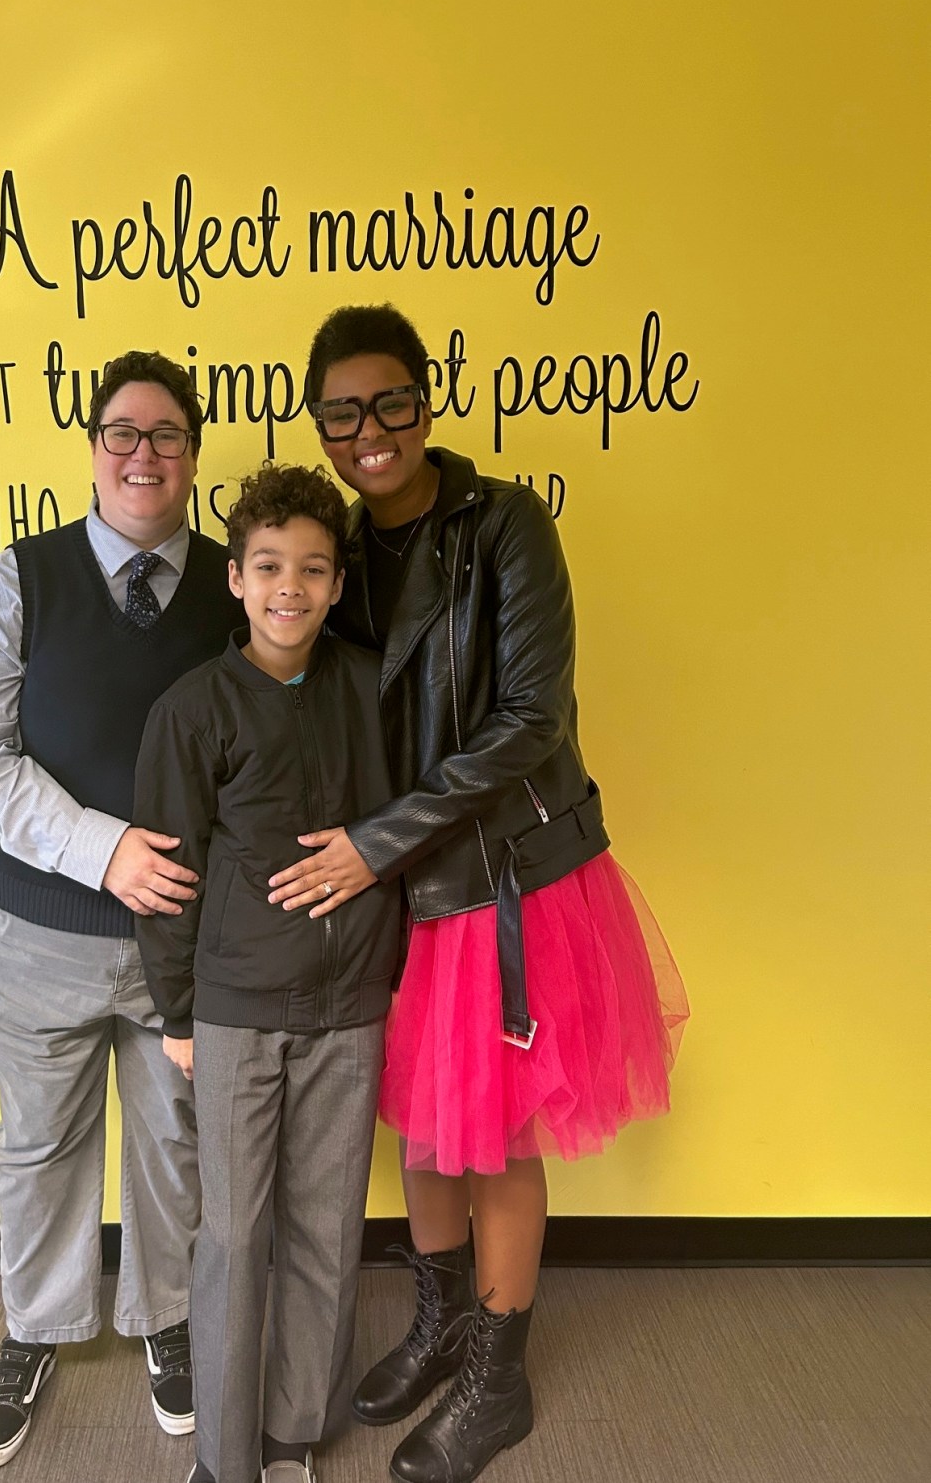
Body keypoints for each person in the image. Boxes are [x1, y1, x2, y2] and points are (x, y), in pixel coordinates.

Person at [268, 305, 689, 1483]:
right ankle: (441, 1322)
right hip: (401, 886)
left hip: (509, 874)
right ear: (322, 422)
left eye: (389, 401)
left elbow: (529, 719)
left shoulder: (503, 523)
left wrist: (371, 844)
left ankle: (496, 1376)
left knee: (494, 1133)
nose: (369, 431)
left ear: (424, 399)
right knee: (421, 1124)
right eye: (342, 411)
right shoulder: (336, 552)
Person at [0, 350, 244, 1469]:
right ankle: (38, 1327)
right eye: (122, 431)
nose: (143, 453)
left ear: (195, 453)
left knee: (174, 1144)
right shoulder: (13, 581)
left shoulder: (239, 584)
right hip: (30, 933)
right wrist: (101, 848)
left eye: (166, 433)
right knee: (39, 1142)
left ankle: (163, 1318)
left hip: (186, 945)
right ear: (92, 449)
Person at [134, 463, 403, 1483]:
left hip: (349, 1006)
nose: (289, 586)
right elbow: (165, 874)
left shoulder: (373, 686)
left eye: (311, 568)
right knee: (235, 1233)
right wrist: (178, 1011)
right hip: (236, 1009)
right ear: (236, 580)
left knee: (327, 1228)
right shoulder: (192, 709)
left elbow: (406, 823)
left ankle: (292, 1431)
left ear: (336, 584)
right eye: (267, 566)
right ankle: (224, 1454)